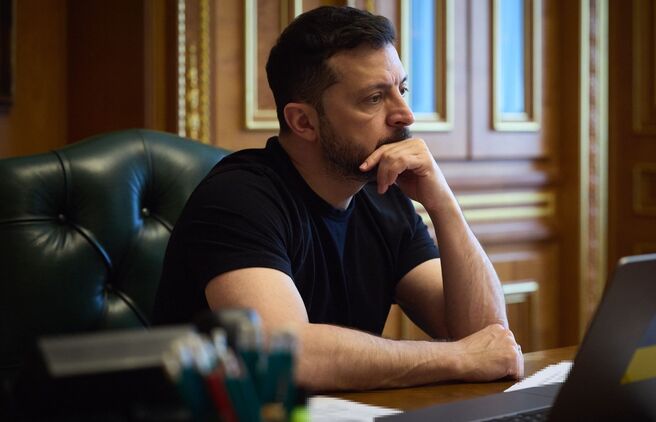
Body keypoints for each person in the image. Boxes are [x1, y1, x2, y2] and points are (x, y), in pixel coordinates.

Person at [152, 5, 523, 391]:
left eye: (402, 89)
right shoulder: (238, 199)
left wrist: (444, 204)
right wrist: (457, 357)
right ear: (304, 122)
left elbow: (488, 338)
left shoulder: (384, 198)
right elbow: (286, 355)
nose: (406, 114)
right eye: (374, 98)